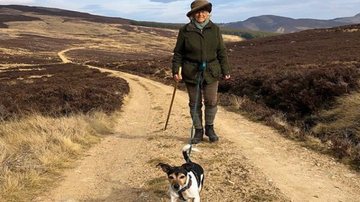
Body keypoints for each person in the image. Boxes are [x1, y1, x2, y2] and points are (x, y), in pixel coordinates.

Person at [172, 0, 231, 144]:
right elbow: (178, 53)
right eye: (197, 12)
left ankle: (209, 128)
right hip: (191, 71)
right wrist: (175, 70)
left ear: (208, 13)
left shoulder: (215, 29)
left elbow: (221, 51)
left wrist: (226, 69)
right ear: (192, 14)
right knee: (195, 103)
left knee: (211, 101)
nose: (200, 14)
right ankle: (198, 131)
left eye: (203, 11)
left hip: (211, 71)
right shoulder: (185, 31)